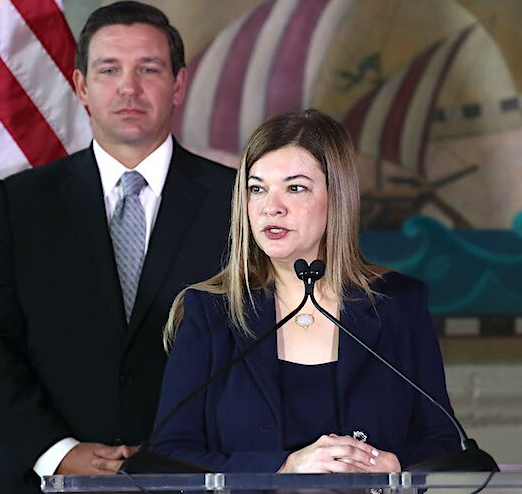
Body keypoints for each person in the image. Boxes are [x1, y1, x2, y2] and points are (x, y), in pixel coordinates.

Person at [0, 0, 235, 493]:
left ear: (177, 85)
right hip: (40, 478)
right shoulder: (21, 205)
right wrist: (57, 452)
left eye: (148, 69)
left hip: (197, 478)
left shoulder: (238, 201)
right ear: (82, 86)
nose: (129, 87)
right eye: (110, 70)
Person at [145, 109, 460, 473]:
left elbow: (444, 441)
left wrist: (395, 464)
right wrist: (283, 468)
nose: (270, 208)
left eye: (295, 188)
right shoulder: (210, 311)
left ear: (336, 197)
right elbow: (167, 455)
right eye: (257, 189)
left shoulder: (399, 305)